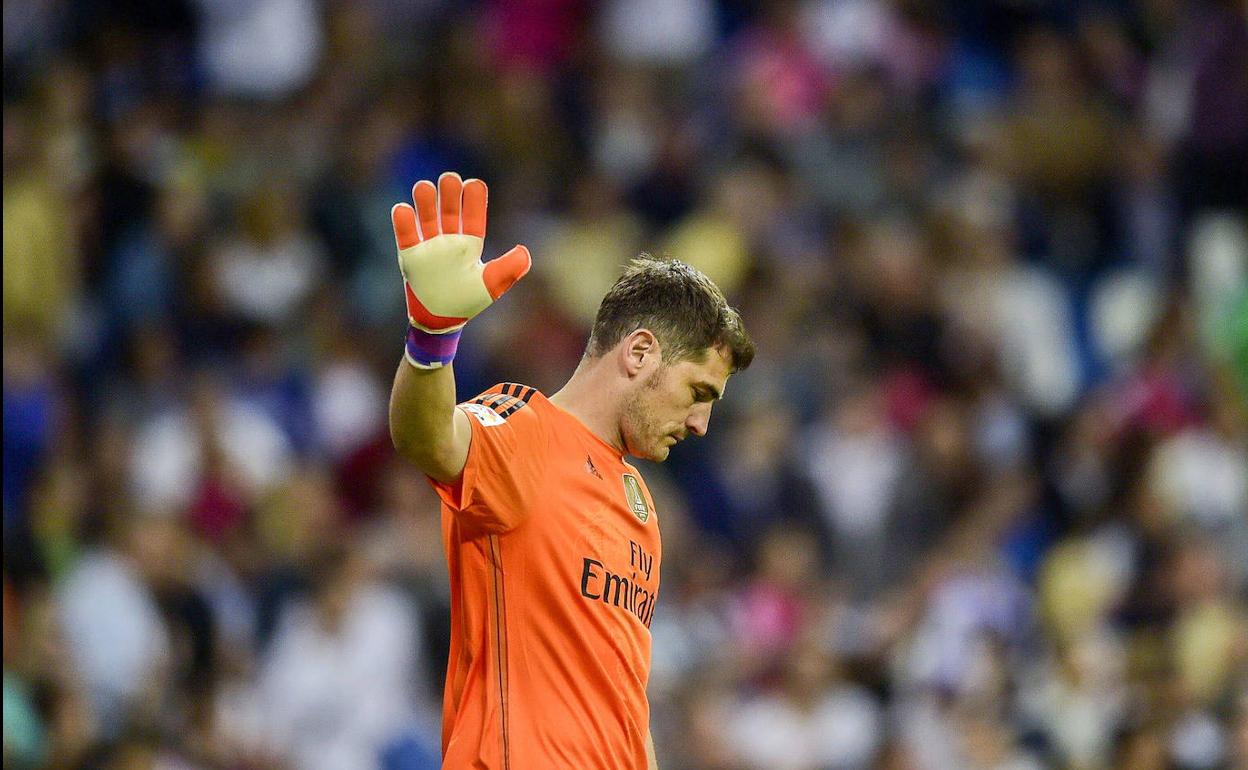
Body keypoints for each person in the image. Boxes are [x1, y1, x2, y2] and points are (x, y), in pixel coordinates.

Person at [387, 172, 754, 769]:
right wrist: (433, 337)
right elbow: (426, 438)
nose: (700, 424)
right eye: (697, 392)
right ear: (639, 353)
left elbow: (622, 698)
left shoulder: (639, 499)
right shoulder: (527, 428)